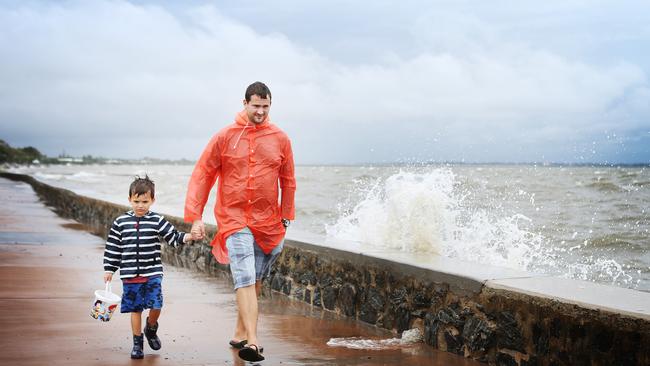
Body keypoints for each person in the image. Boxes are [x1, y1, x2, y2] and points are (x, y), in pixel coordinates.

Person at [184, 81, 296, 362]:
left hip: (268, 221)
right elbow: (202, 175)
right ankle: (254, 341)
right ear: (244, 103)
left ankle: (239, 332)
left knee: (255, 280)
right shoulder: (225, 136)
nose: (260, 111)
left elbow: (288, 181)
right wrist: (196, 217)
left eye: (265, 106)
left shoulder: (280, 138)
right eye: (256, 106)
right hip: (234, 218)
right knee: (244, 277)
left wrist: (286, 216)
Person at [103, 175, 196, 359]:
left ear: (152, 200)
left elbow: (173, 236)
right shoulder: (120, 223)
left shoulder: (157, 220)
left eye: (145, 201)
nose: (140, 205)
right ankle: (137, 343)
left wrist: (189, 236)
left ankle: (151, 328)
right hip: (129, 274)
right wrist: (109, 269)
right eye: (136, 201)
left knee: (156, 304)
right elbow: (113, 248)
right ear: (129, 199)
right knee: (135, 309)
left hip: (152, 272)